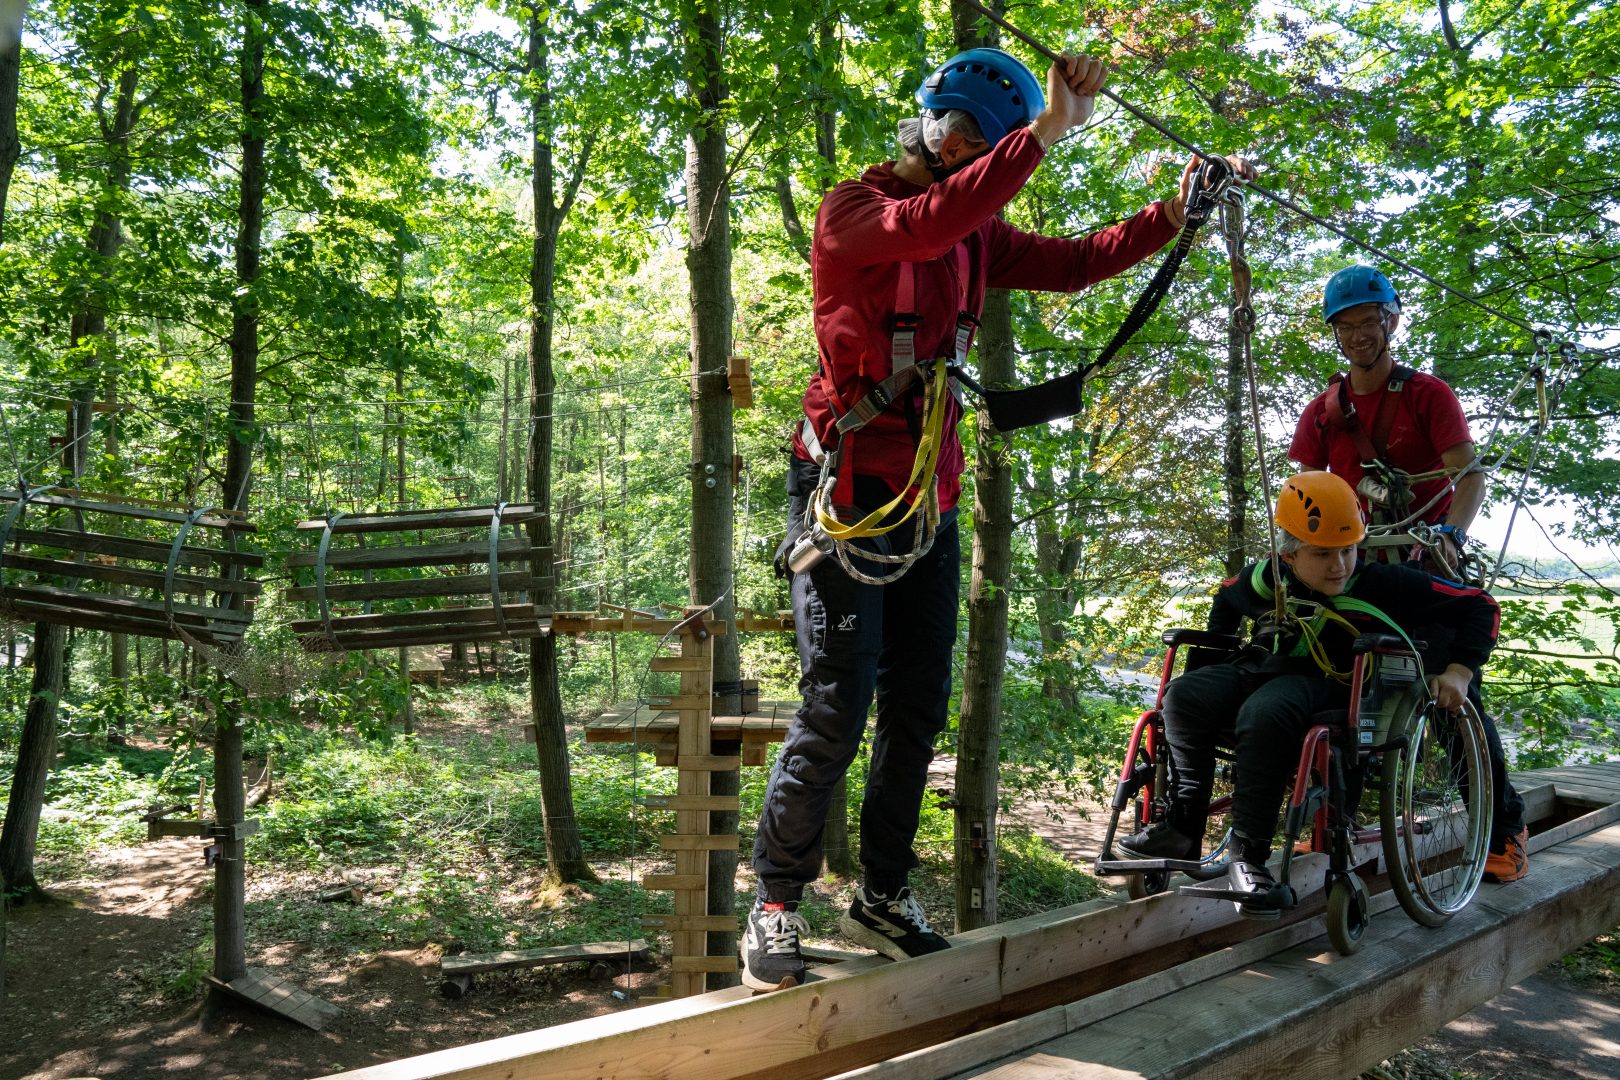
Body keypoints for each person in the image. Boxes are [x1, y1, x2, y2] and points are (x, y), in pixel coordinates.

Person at [743, 46, 1253, 991]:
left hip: (928, 498)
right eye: (958, 130)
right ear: (924, 119)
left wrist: (1172, 215)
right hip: (848, 493)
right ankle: (776, 898)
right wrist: (1045, 132)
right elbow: (927, 222)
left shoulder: (979, 235)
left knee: (917, 708)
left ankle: (885, 891)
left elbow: (1074, 263)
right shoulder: (853, 213)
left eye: (986, 139)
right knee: (836, 705)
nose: (967, 151)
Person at [1118, 472, 1502, 917]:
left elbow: (1480, 604)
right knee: (1183, 696)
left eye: (1348, 550)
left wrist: (1459, 670)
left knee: (1265, 713)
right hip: (1263, 667)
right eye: (1322, 554)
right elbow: (1227, 598)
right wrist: (1217, 657)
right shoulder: (1268, 580)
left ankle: (1249, 857)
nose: (1339, 565)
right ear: (1288, 551)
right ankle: (1183, 826)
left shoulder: (1386, 584)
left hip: (1333, 683)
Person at [1289, 265, 1529, 883]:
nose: (1359, 335)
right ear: (1335, 334)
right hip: (1351, 567)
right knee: (1331, 688)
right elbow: (1300, 488)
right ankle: (1322, 822)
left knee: (1452, 694)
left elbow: (1467, 473)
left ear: (1391, 321)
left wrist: (1450, 531)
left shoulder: (1426, 396)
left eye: (1370, 322)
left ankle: (1503, 830)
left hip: (1420, 561)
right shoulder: (1324, 412)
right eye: (1346, 326)